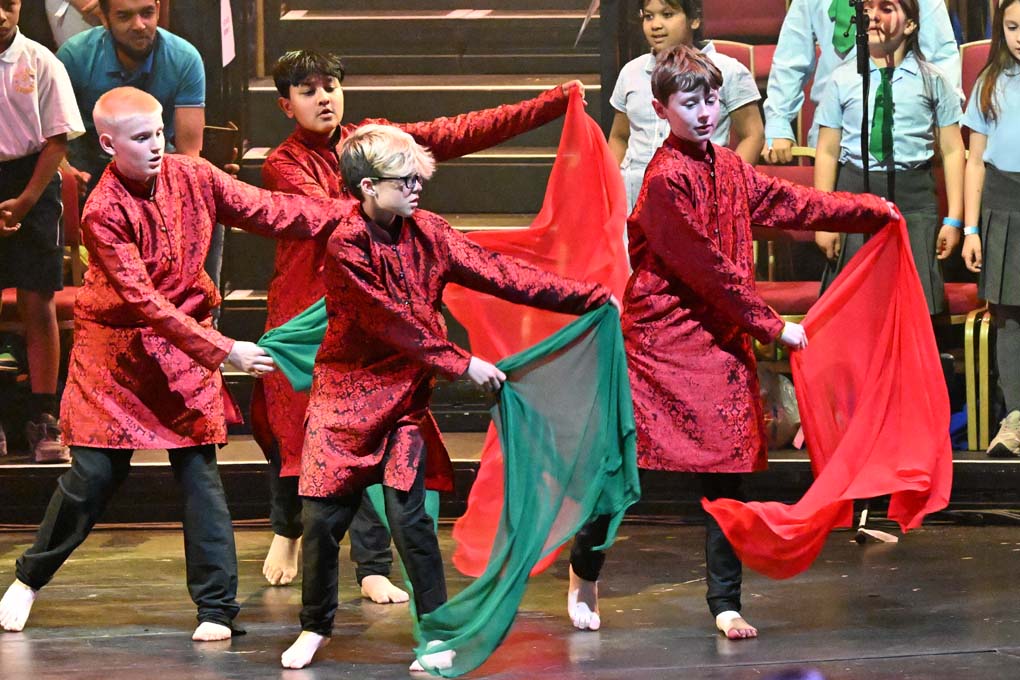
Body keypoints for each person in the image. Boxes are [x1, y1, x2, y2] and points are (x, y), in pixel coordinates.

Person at [566, 45, 894, 640]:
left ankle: (725, 601)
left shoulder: (728, 166)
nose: (704, 113)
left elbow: (793, 201)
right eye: (689, 103)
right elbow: (706, 270)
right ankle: (584, 570)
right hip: (662, 346)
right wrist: (772, 325)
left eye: (711, 100)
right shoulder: (664, 179)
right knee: (623, 473)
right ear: (662, 110)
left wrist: (868, 211)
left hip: (719, 343)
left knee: (726, 475)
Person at [0, 87, 349, 642]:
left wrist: (351, 214)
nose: (157, 145)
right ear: (109, 145)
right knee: (94, 477)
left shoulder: (194, 175)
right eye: (141, 138)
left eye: (160, 132)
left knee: (198, 471)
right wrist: (226, 350)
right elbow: (144, 302)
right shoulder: (104, 209)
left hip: (185, 347)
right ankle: (29, 577)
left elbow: (271, 210)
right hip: (117, 354)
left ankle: (216, 607)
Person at [255, 49, 592, 601]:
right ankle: (288, 530)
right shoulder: (286, 164)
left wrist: (551, 104)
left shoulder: (376, 140)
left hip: (380, 312)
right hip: (312, 309)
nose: (324, 99)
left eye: (331, 86)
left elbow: (457, 131)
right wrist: (378, 182)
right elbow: (333, 218)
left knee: (380, 432)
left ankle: (372, 566)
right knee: (302, 432)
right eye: (308, 90)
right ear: (286, 105)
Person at [279, 124, 615, 670]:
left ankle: (435, 636)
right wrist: (463, 363)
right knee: (321, 523)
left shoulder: (429, 232)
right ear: (367, 187)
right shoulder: (346, 245)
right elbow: (389, 321)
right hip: (343, 404)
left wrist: (586, 297)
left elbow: (498, 272)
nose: (417, 187)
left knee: (411, 521)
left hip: (403, 405)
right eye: (404, 180)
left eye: (419, 177)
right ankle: (315, 626)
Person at [813, 0, 965, 317]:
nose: (873, 16)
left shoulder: (933, 80)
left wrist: (953, 220)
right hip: (855, 191)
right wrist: (824, 219)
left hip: (914, 194)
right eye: (867, 9)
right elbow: (827, 151)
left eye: (886, 8)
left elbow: (952, 151)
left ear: (909, 25)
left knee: (914, 304)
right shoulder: (842, 79)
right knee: (857, 307)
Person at [0, 0, 85, 463]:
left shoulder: (42, 60)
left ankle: (44, 414)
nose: (0, 15)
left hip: (33, 180)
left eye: (8, 4)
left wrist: (26, 201)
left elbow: (57, 141)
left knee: (39, 301)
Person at [608, 0, 763, 209]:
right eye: (649, 16)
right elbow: (619, 137)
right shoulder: (630, 72)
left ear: (694, 19)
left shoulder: (727, 70)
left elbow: (753, 135)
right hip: (634, 199)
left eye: (667, 14)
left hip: (699, 196)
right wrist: (611, 187)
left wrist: (725, 186)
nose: (656, 25)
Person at [763, 0, 960, 163]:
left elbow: (941, 57)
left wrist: (944, 126)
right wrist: (778, 122)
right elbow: (790, 58)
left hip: (905, 140)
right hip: (832, 140)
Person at [56, 0, 205, 199]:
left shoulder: (184, 59)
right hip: (88, 172)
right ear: (105, 19)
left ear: (158, 10)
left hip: (156, 171)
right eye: (124, 16)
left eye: (147, 13)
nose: (139, 25)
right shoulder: (75, 56)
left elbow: (189, 156)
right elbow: (51, 132)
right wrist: (66, 171)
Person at [961, 0, 1020, 457]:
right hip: (1003, 202)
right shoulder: (990, 82)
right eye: (1013, 27)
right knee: (1010, 317)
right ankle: (1016, 418)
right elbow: (975, 162)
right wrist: (970, 229)